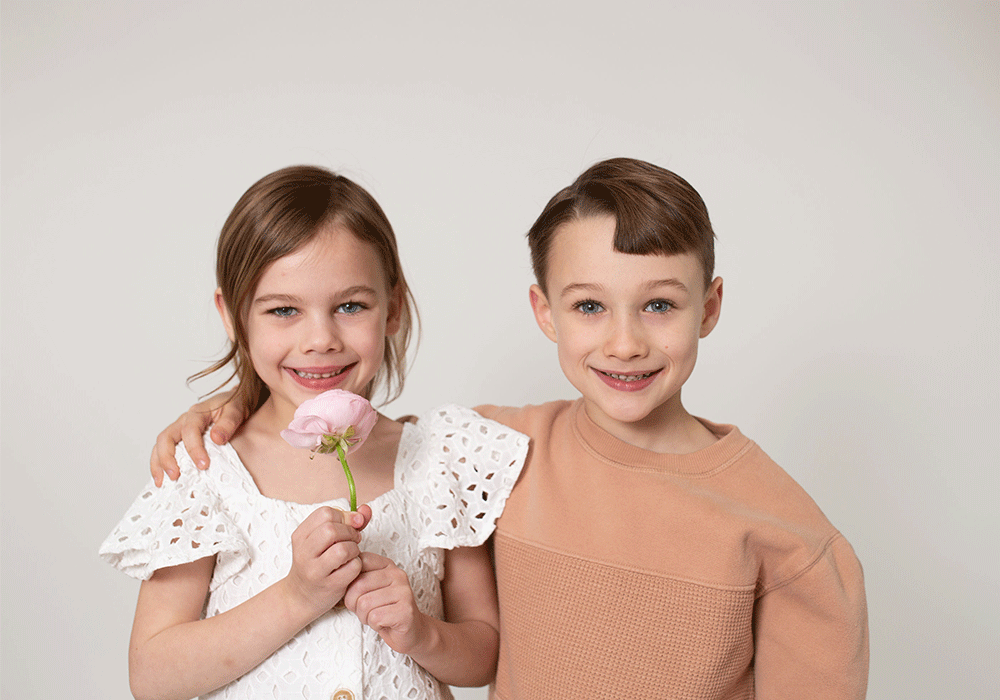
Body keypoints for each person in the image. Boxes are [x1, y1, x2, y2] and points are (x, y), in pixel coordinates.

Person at [150, 158, 869, 698]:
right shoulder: (491, 452)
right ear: (544, 311)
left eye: (659, 305)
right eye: (590, 307)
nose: (624, 343)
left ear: (708, 308)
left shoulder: (791, 539)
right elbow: (342, 430)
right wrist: (225, 410)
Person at [100, 165, 529, 700]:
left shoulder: (438, 461)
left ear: (392, 307)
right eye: (284, 310)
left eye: (351, 306)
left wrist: (421, 633)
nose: (320, 338)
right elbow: (153, 677)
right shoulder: (205, 470)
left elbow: (483, 655)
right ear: (233, 317)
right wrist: (297, 596)